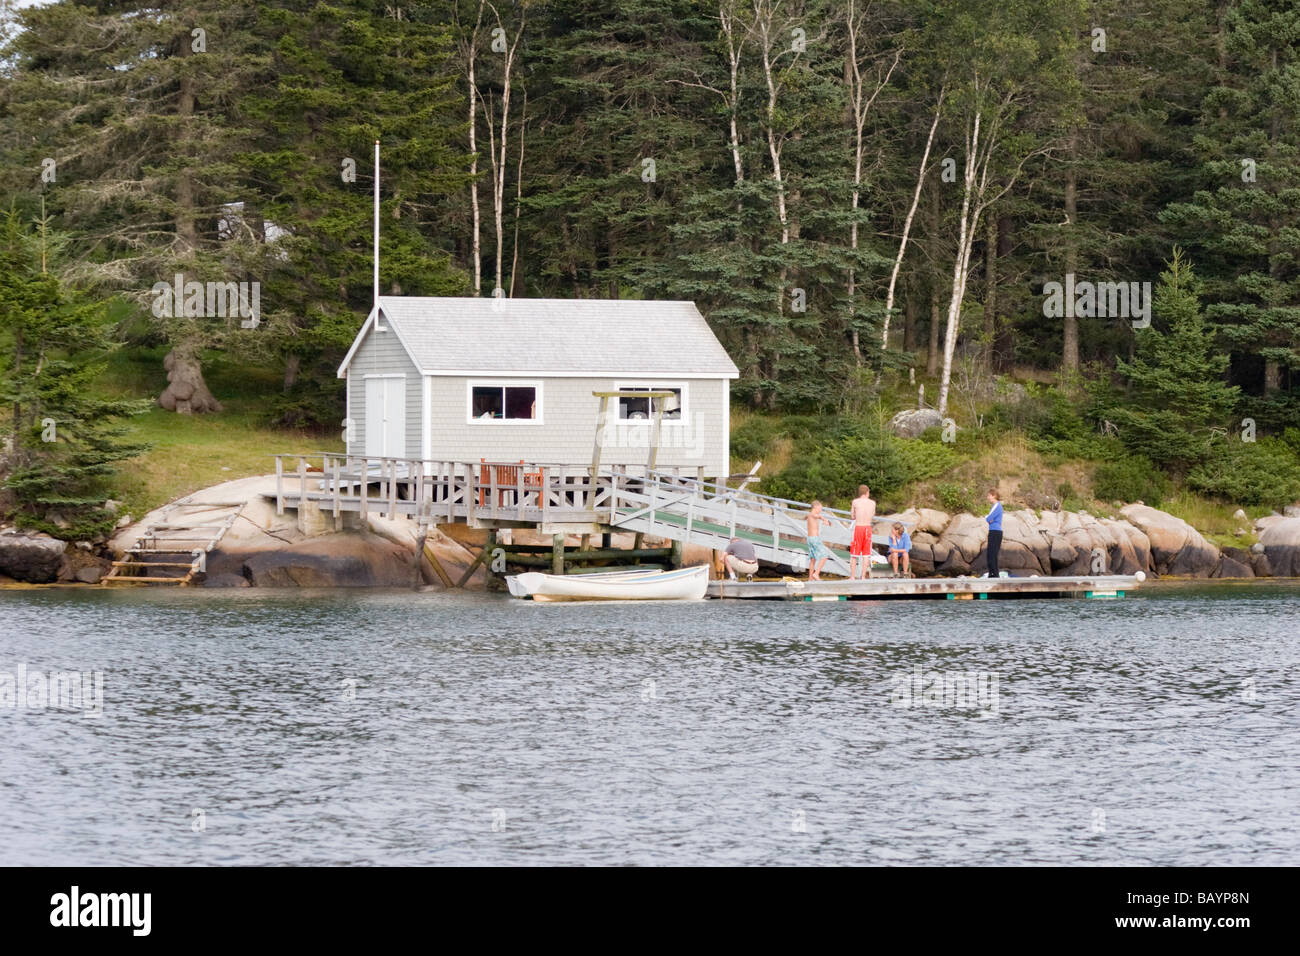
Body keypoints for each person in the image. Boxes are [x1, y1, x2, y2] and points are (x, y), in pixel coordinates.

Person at [849, 484, 876, 580]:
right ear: (867, 492)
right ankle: (863, 576)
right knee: (866, 554)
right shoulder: (873, 503)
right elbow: (872, 515)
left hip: (858, 528)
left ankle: (852, 576)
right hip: (867, 528)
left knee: (854, 554)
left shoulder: (855, 502)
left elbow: (852, 516)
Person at [805, 500, 833, 581]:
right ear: (815, 507)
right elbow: (818, 516)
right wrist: (824, 519)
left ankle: (810, 578)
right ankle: (816, 574)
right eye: (820, 508)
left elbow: (816, 516)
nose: (821, 510)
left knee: (813, 559)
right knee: (825, 555)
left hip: (810, 539)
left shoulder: (810, 515)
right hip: (814, 539)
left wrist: (825, 520)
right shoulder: (813, 514)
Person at [984, 488, 1003, 578]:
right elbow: (989, 519)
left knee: (992, 553)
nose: (987, 498)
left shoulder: (997, 506)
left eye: (989, 496)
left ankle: (995, 574)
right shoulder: (994, 506)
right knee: (990, 553)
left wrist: (988, 518)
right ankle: (992, 573)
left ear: (994, 496)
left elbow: (988, 518)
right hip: (993, 531)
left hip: (996, 532)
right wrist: (989, 519)